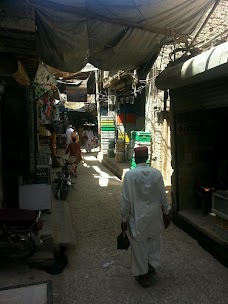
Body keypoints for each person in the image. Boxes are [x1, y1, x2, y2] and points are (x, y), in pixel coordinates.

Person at [120, 146, 171, 288]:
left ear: (135, 158)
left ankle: (143, 274)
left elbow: (126, 201)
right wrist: (166, 213)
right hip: (155, 217)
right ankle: (151, 267)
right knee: (153, 244)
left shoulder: (130, 176)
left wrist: (123, 220)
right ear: (147, 158)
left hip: (137, 218)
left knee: (139, 247)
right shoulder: (157, 174)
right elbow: (163, 196)